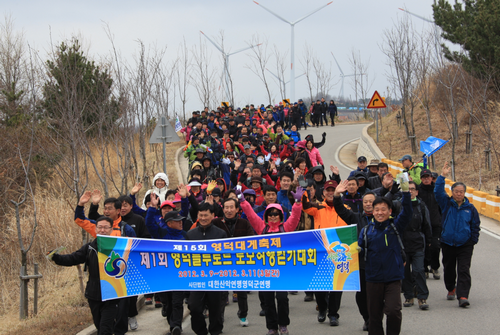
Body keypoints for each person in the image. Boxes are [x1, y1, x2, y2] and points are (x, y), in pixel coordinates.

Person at [237, 186, 304, 335]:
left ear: (280, 215)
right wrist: (242, 201)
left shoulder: (286, 228)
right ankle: (272, 328)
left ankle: (283, 325)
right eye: (270, 214)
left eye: (276, 214)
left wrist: (298, 202)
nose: (273, 217)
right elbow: (250, 214)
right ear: (266, 216)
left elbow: (295, 217)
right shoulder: (261, 228)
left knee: (282, 298)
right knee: (267, 301)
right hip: (265, 271)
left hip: (282, 271)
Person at [49, 216, 127, 335]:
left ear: (112, 229)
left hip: (112, 294)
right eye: (100, 227)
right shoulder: (89, 248)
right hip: (94, 293)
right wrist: (56, 257)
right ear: (95, 229)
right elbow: (73, 258)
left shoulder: (120, 247)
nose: (102, 230)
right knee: (99, 325)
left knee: (106, 328)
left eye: (106, 227)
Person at [358, 176, 412, 335]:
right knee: (374, 317)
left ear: (389, 211)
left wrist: (406, 192)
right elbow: (358, 251)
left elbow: (407, 212)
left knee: (394, 311)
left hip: (393, 278)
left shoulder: (395, 227)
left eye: (383, 210)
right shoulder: (366, 231)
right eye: (377, 210)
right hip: (373, 279)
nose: (380, 213)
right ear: (372, 211)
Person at [302, 180, 349, 327]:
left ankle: (333, 314)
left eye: (333, 190)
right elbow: (304, 206)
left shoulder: (345, 208)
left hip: (339, 252)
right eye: (328, 190)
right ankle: (322, 308)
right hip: (321, 251)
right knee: (320, 286)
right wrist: (304, 189)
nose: (330, 192)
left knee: (336, 285)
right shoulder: (318, 207)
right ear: (323, 193)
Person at [434, 162, 480, 307]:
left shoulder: (470, 209)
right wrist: (442, 176)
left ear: (464, 193)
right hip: (448, 242)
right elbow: (437, 192)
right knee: (448, 269)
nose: (459, 194)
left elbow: (475, 226)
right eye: (456, 191)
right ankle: (451, 288)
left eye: (461, 191)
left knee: (464, 269)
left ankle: (463, 296)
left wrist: (472, 240)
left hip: (465, 244)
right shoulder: (446, 204)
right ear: (452, 192)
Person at [333, 180, 376, 331]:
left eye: (372, 202)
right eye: (366, 202)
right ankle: (367, 318)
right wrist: (337, 195)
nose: (369, 204)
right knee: (362, 295)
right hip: (362, 264)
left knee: (378, 295)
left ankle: (375, 319)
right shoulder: (356, 218)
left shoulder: (384, 219)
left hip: (380, 264)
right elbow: (341, 210)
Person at [212, 198, 255, 327]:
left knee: (241, 291)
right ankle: (219, 317)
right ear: (223, 209)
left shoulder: (244, 223)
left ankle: (243, 315)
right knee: (221, 292)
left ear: (237, 209)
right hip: (221, 262)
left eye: (232, 207)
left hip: (240, 262)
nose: (229, 210)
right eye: (226, 207)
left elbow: (252, 241)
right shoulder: (216, 223)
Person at [186, 202, 227, 335]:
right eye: (201, 215)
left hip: (215, 277)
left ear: (213, 216)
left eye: (206, 215)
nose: (203, 218)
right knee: (194, 307)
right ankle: (200, 331)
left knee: (215, 308)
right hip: (196, 278)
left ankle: (216, 330)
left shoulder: (221, 234)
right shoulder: (190, 235)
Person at [402, 181, 432, 310]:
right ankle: (409, 296)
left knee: (419, 270)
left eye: (412, 189)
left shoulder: (421, 206)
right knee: (405, 272)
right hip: (403, 244)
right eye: (408, 189)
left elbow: (427, 224)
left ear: (416, 192)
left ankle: (422, 297)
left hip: (418, 243)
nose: (410, 191)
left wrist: (429, 240)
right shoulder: (399, 204)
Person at [418, 168, 442, 279]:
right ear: (421, 179)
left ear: (431, 178)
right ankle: (425, 267)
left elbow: (442, 206)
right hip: (422, 224)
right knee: (424, 247)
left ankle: (435, 267)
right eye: (424, 177)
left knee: (435, 246)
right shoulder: (418, 191)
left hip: (435, 224)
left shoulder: (436, 191)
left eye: (428, 177)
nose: (426, 179)